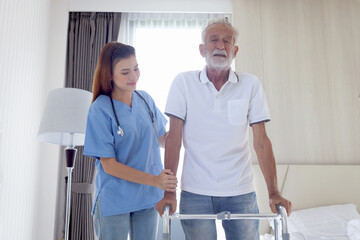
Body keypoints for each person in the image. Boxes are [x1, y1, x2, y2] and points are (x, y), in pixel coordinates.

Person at [156, 19, 292, 239]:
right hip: (195, 190)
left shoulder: (250, 85)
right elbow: (174, 139)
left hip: (241, 191)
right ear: (202, 49)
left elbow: (261, 142)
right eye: (213, 40)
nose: (220, 46)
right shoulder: (183, 83)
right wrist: (169, 192)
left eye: (227, 41)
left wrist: (274, 193)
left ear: (235, 50)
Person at [83, 42, 177, 240]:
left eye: (136, 68)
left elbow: (162, 139)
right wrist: (155, 180)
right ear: (109, 75)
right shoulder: (100, 109)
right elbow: (109, 166)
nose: (134, 76)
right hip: (115, 198)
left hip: (148, 197)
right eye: (125, 72)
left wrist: (183, 124)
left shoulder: (145, 100)